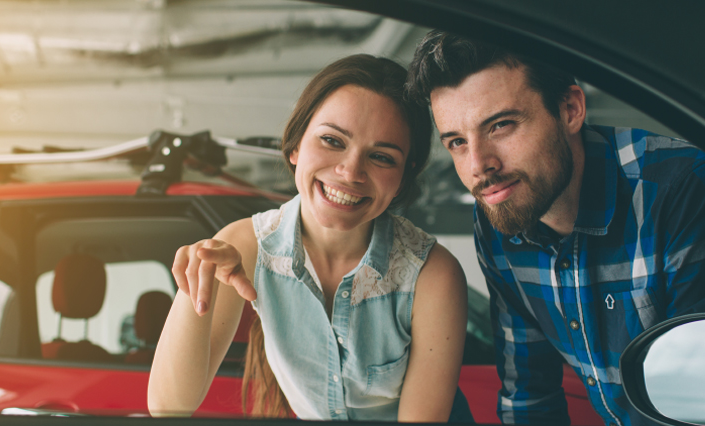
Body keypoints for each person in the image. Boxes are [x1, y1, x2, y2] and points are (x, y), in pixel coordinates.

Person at [405, 31, 705, 425]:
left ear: (570, 109)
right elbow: (529, 395)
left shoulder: (682, 189)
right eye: (457, 142)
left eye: (500, 125)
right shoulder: (501, 209)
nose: (479, 166)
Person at [147, 54, 472, 422]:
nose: (350, 172)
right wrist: (196, 286)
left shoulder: (432, 274)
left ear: (404, 177)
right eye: (332, 140)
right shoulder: (246, 246)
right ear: (295, 145)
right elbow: (167, 406)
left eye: (381, 157)